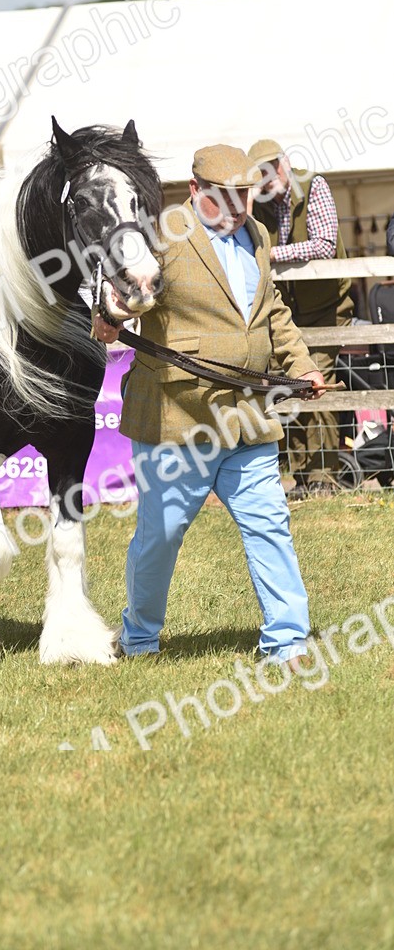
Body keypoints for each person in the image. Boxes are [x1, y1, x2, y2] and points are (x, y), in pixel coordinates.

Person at [93, 144, 326, 664]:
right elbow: (127, 291)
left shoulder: (259, 234)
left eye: (244, 195)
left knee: (269, 524)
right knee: (162, 534)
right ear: (195, 192)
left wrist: (301, 365)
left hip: (248, 415)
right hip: (179, 418)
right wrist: (111, 316)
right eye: (225, 199)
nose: (239, 208)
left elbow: (272, 311)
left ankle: (287, 641)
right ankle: (139, 637)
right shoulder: (161, 235)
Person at [249, 139, 353, 499]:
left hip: (327, 308)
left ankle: (324, 475)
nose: (267, 178)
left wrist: (274, 253)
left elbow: (324, 244)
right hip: (286, 314)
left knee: (316, 382)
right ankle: (300, 479)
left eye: (271, 168)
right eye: (259, 173)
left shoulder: (314, 185)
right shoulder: (257, 205)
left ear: (285, 163)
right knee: (289, 384)